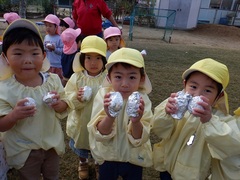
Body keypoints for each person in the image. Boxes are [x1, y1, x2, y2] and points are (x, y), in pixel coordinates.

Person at [0, 19, 68, 179]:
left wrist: (59, 104)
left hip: (51, 146)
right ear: (5, 57)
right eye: (18, 53)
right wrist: (14, 115)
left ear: (43, 55)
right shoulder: (5, 89)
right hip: (23, 149)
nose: (28, 59)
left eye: (34, 53)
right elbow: (2, 125)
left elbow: (65, 105)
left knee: (52, 176)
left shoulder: (52, 80)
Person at [151, 58, 240, 180]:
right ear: (184, 84)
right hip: (166, 166)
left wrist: (209, 121)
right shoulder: (174, 104)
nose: (197, 94)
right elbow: (159, 129)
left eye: (207, 90)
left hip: (190, 175)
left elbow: (227, 143)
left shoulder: (219, 119)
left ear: (219, 96)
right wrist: (166, 113)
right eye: (193, 86)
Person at [87, 47, 153, 180]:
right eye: (118, 77)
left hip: (133, 158)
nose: (124, 84)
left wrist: (136, 121)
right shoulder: (103, 96)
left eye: (132, 77)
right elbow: (99, 133)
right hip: (108, 157)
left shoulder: (143, 100)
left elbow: (140, 137)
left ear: (142, 78)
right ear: (109, 78)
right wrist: (110, 116)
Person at [64, 35, 107, 179]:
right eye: (88, 57)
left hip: (100, 122)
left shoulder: (108, 78)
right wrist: (77, 97)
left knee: (100, 144)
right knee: (82, 146)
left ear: (104, 60)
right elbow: (67, 97)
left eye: (98, 58)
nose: (93, 63)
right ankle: (83, 162)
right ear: (82, 59)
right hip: (81, 121)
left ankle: (97, 163)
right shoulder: (77, 77)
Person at [42, 14, 63, 80]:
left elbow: (63, 51)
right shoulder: (46, 37)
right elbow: (44, 48)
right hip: (48, 64)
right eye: (46, 26)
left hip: (57, 65)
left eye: (50, 26)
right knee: (49, 80)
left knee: (57, 80)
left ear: (56, 27)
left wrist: (54, 49)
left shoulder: (59, 38)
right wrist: (45, 48)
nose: (48, 28)